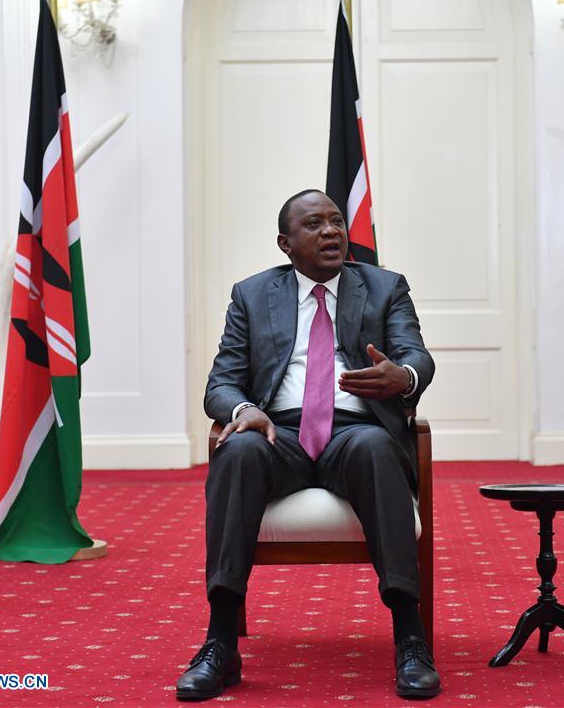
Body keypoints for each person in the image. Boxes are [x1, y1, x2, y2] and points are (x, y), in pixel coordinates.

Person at [176, 189, 439, 701]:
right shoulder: (251, 295)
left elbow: (416, 356)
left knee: (376, 447)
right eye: (314, 224)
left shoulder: (385, 287)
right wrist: (243, 410)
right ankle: (221, 642)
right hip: (282, 432)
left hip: (354, 429)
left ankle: (410, 637)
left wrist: (401, 377)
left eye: (336, 222)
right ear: (286, 243)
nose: (331, 232)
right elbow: (221, 383)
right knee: (237, 450)